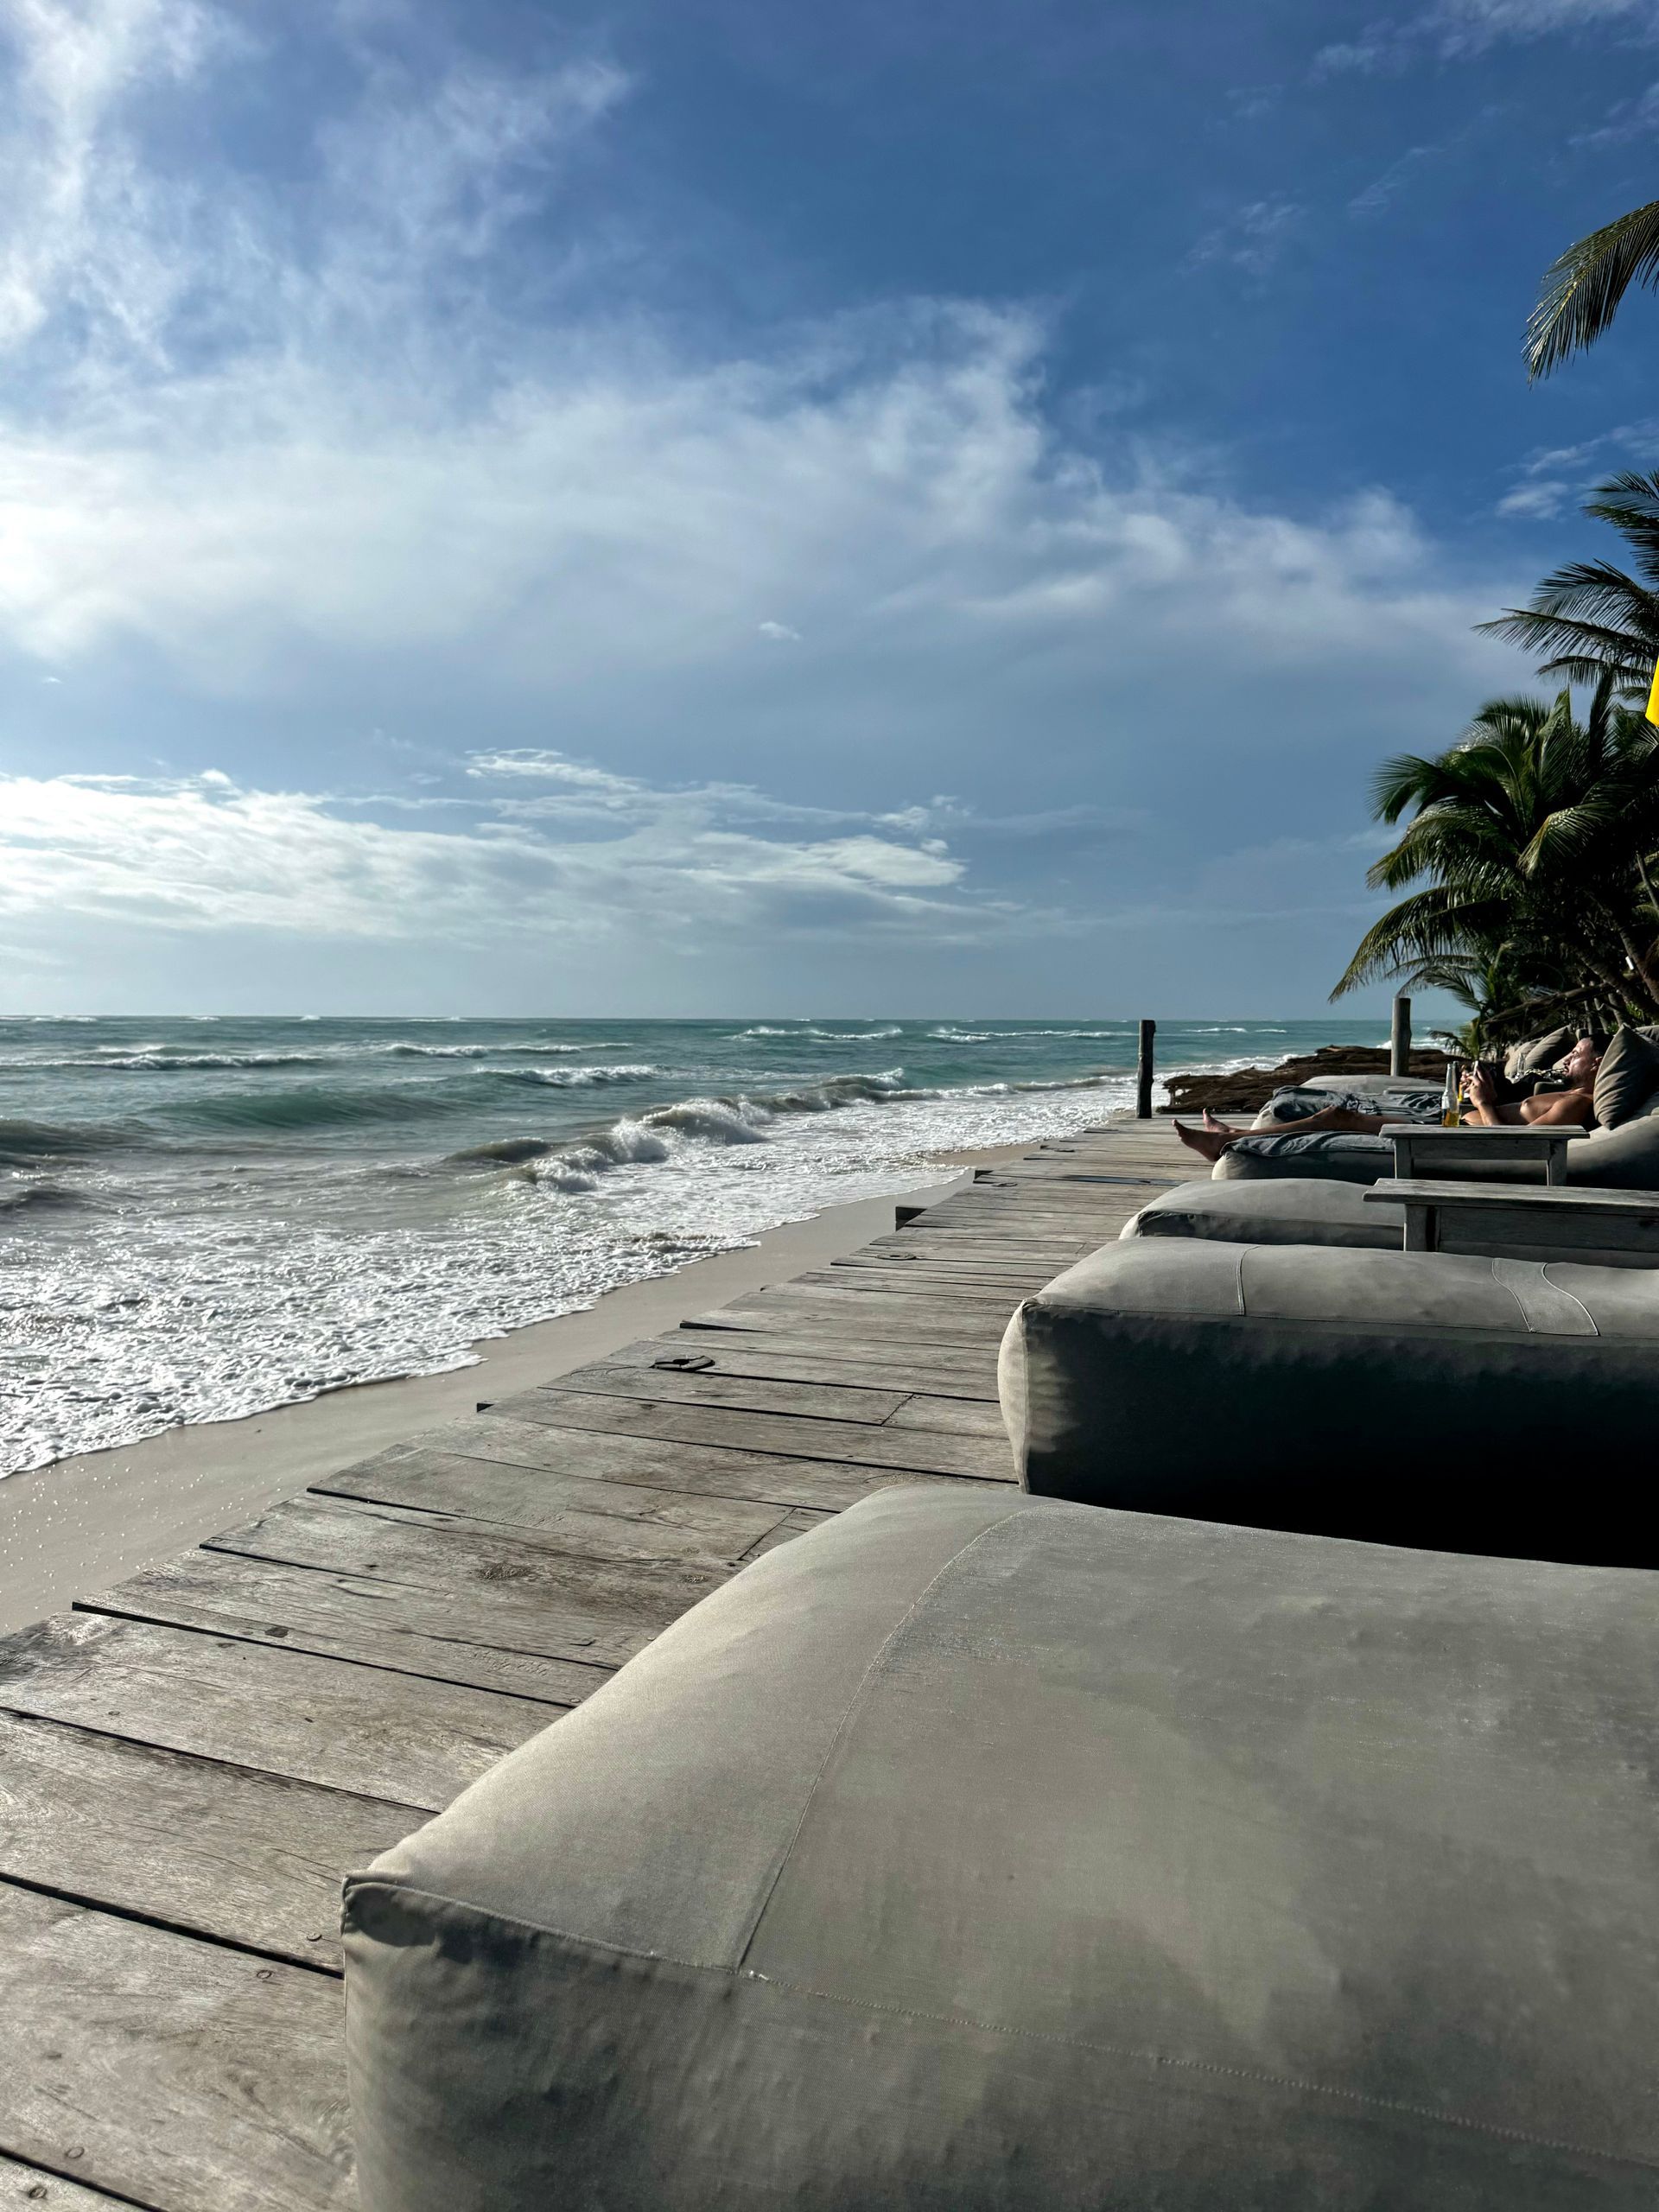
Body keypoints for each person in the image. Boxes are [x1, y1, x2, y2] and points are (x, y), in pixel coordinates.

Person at [1173, 1035, 1603, 1166]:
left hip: (1455, 1140)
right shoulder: (1565, 1094)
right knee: (1336, 1112)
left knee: (1338, 1115)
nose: (1567, 1057)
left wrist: (1483, 1101)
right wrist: (1475, 1096)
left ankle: (1229, 1144)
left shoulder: (1577, 1105)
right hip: (1454, 1126)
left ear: (1598, 1063)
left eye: (1576, 1053)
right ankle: (1235, 1137)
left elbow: (1521, 1150)